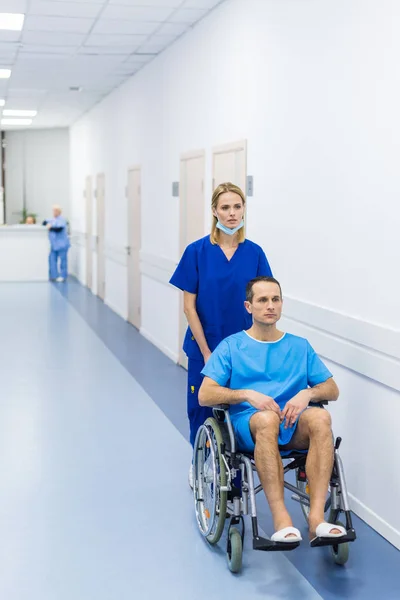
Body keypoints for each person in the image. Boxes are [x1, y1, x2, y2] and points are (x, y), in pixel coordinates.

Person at [199, 276, 346, 544]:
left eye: (275, 299)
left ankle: (316, 520)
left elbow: (332, 389)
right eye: (263, 300)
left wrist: (307, 393)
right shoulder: (232, 347)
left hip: (292, 424)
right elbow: (205, 394)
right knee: (267, 420)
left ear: (282, 304)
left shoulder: (299, 346)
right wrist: (246, 394)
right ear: (248, 306)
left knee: (321, 416)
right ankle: (281, 520)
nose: (270, 306)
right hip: (250, 426)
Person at [169, 182, 273, 487]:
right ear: (214, 211)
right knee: (201, 409)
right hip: (205, 345)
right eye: (225, 207)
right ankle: (199, 463)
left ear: (243, 210)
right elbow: (190, 307)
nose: (231, 213)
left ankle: (236, 473)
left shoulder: (254, 253)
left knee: (240, 409)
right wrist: (206, 352)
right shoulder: (197, 251)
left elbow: (263, 302)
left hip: (243, 349)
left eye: (237, 207)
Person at [42, 205, 70, 282]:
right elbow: (44, 222)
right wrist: (47, 225)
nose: (54, 212)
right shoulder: (52, 219)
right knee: (52, 260)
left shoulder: (62, 220)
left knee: (63, 260)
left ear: (59, 212)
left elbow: (59, 229)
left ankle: (63, 276)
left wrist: (50, 227)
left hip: (62, 244)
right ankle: (53, 275)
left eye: (56, 210)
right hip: (53, 245)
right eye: (53, 210)